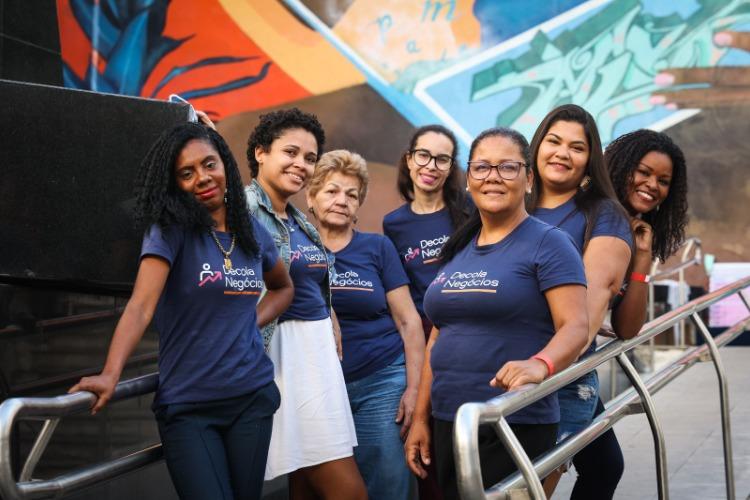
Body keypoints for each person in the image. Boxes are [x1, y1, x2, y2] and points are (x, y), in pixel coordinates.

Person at [70, 123, 294, 500]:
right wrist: (110, 373)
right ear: (175, 184)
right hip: (190, 408)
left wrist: (248, 323)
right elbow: (141, 306)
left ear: (225, 164)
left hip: (250, 398)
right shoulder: (170, 231)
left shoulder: (252, 231)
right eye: (186, 173)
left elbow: (283, 287)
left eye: (209, 164)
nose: (202, 178)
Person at [404, 127, 589, 500]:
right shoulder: (459, 248)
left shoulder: (550, 243)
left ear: (529, 179)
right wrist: (421, 418)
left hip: (513, 419)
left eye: (507, 167)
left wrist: (541, 364)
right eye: (482, 167)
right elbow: (438, 336)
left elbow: (576, 326)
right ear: (468, 179)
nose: (493, 176)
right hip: (450, 421)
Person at [244, 108, 367, 499]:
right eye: (290, 152)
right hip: (284, 357)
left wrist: (329, 315)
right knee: (348, 491)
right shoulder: (242, 211)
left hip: (318, 360)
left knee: (306, 488)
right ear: (261, 152)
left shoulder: (299, 220)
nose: (301, 164)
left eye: (310, 158)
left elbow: (311, 282)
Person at [526, 104, 633, 499]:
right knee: (605, 465)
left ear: (590, 160)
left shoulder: (602, 215)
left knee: (529, 489)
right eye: (553, 141)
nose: (562, 153)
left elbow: (582, 319)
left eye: (576, 147)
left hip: (555, 374)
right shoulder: (510, 204)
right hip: (492, 364)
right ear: (537, 146)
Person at [306, 149, 425, 499]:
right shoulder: (296, 252)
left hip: (381, 381)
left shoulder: (378, 248)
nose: (341, 200)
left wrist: (414, 390)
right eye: (331, 191)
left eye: (352, 194)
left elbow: (409, 322)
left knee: (389, 482)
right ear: (311, 198)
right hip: (320, 390)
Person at [383, 125, 470, 499]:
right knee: (427, 440)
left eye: (442, 159)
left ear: (451, 168)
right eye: (423, 155)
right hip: (423, 341)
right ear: (409, 159)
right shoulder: (394, 224)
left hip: (467, 333)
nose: (431, 166)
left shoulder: (469, 211)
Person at [605, 129, 689, 339]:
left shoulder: (637, 235)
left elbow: (627, 330)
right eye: (643, 172)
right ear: (620, 167)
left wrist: (643, 255)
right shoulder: (588, 220)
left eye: (663, 181)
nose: (652, 185)